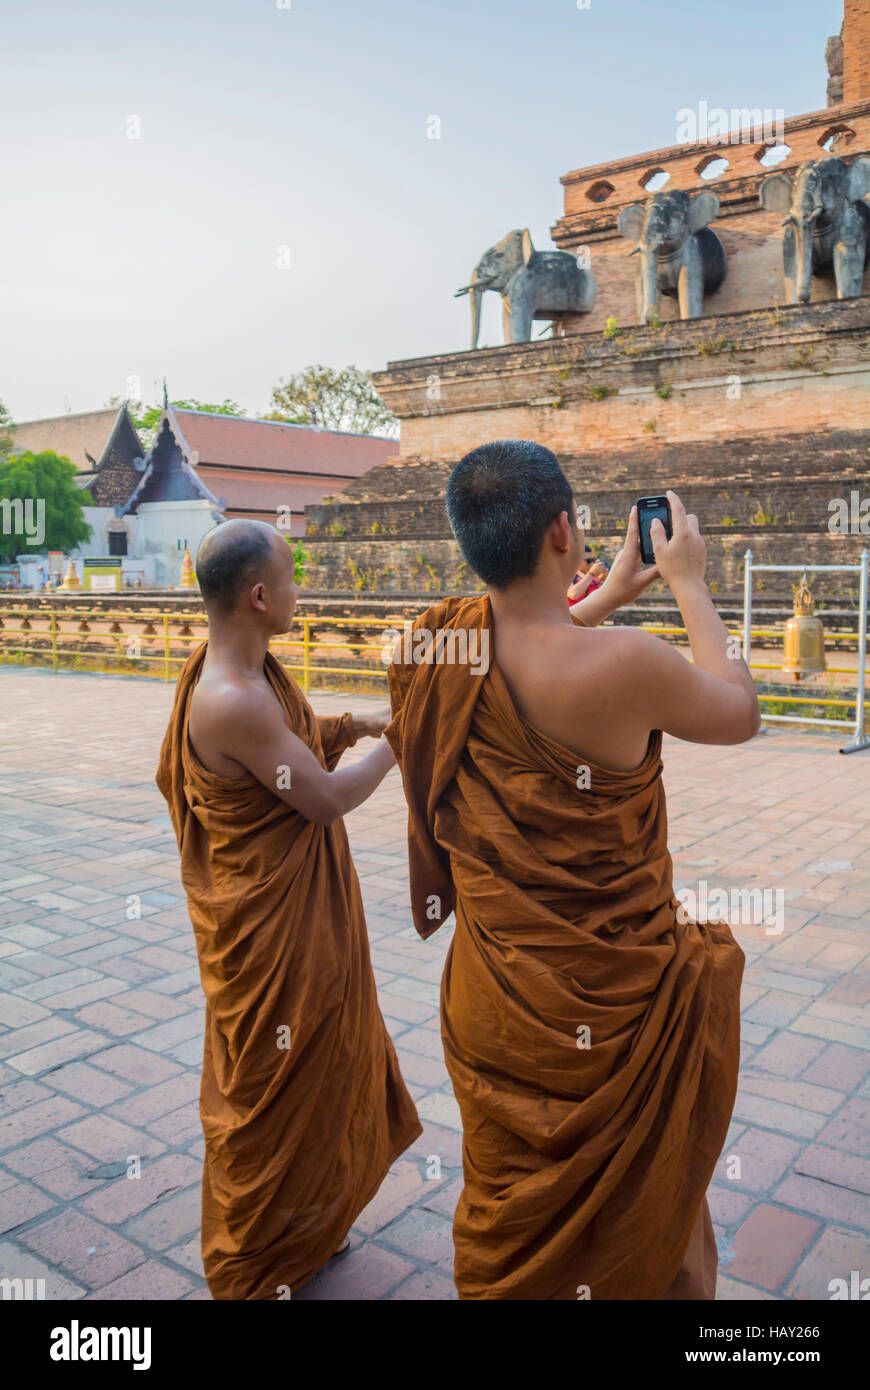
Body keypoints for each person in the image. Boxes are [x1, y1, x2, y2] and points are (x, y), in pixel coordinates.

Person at [384, 439, 757, 1301]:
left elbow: (514, 662)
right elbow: (739, 711)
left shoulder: (428, 652)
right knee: (643, 1215)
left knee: (514, 1211)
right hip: (616, 1010)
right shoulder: (626, 666)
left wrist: (606, 593)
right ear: (564, 529)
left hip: (499, 1006)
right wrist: (687, 582)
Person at [156, 519, 421, 1300]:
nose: (301, 592)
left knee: (318, 1073)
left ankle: (306, 1226)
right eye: (292, 579)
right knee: (277, 1086)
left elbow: (293, 741)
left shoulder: (242, 669)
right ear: (261, 594)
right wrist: (401, 742)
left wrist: (357, 723)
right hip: (273, 940)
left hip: (295, 918)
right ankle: (253, 1260)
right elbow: (325, 797)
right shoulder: (230, 697)